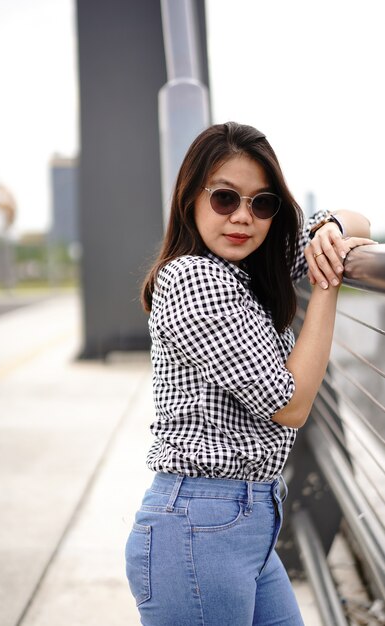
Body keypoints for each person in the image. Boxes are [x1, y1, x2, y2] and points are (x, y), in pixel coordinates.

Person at [125, 122, 373, 626]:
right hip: (199, 527)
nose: (243, 217)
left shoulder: (256, 262)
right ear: (191, 198)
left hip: (249, 520)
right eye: (224, 199)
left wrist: (330, 231)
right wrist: (327, 285)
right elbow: (292, 403)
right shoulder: (194, 278)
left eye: (263, 203)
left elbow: (361, 221)